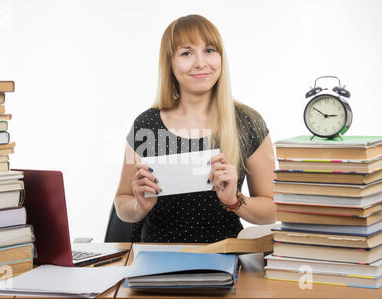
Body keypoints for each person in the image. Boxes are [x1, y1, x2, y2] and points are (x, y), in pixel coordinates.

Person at [114, 14, 276, 243]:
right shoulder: (147, 124)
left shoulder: (247, 122)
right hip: (156, 256)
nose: (200, 62)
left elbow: (272, 210)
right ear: (170, 63)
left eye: (209, 50)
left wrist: (235, 200)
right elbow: (122, 202)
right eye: (186, 53)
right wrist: (138, 206)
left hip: (224, 255)